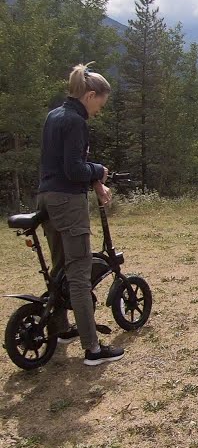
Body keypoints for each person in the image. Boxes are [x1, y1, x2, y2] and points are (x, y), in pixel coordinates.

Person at [36, 63, 124, 366]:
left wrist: (95, 180)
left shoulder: (54, 116)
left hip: (46, 198)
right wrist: (98, 170)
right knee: (78, 273)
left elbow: (60, 163)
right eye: (101, 103)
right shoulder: (76, 122)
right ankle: (93, 349)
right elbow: (74, 169)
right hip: (67, 202)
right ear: (90, 95)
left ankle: (61, 329)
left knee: (60, 267)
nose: (99, 110)